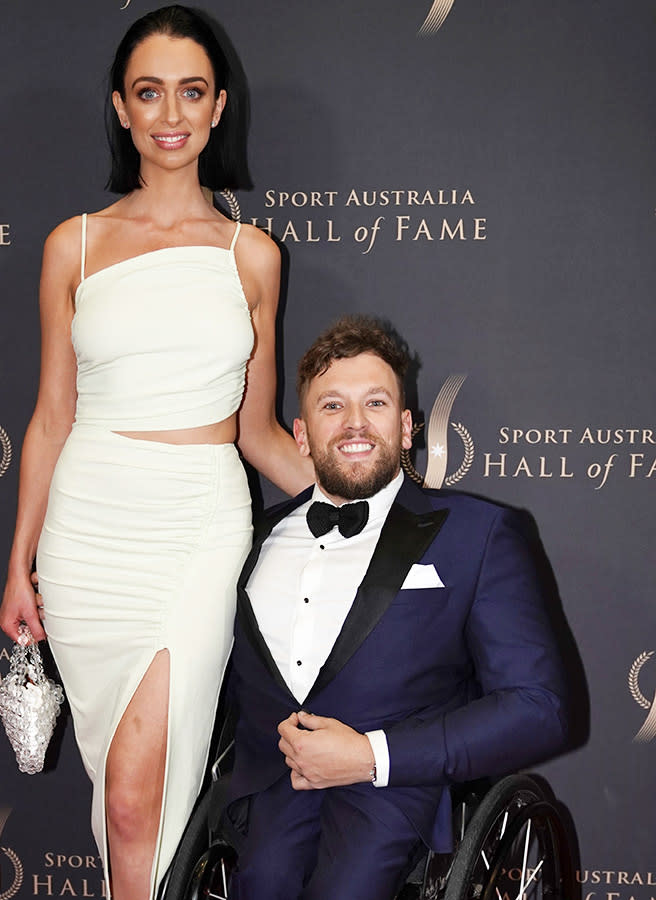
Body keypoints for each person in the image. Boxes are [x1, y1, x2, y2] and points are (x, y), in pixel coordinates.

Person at [0, 7, 312, 900]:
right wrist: (19, 565)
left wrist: (380, 502)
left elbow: (257, 435)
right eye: (149, 92)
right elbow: (53, 417)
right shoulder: (76, 245)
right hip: (88, 530)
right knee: (120, 798)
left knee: (141, 801)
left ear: (218, 109)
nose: (170, 112)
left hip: (195, 531)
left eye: (191, 91)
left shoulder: (252, 258)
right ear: (122, 109)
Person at [225, 316, 569, 900]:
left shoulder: (478, 535)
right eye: (332, 406)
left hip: (397, 793)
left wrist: (370, 756)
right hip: (270, 793)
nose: (355, 422)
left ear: (406, 427)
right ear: (302, 434)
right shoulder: (246, 539)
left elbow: (538, 707)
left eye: (375, 402)